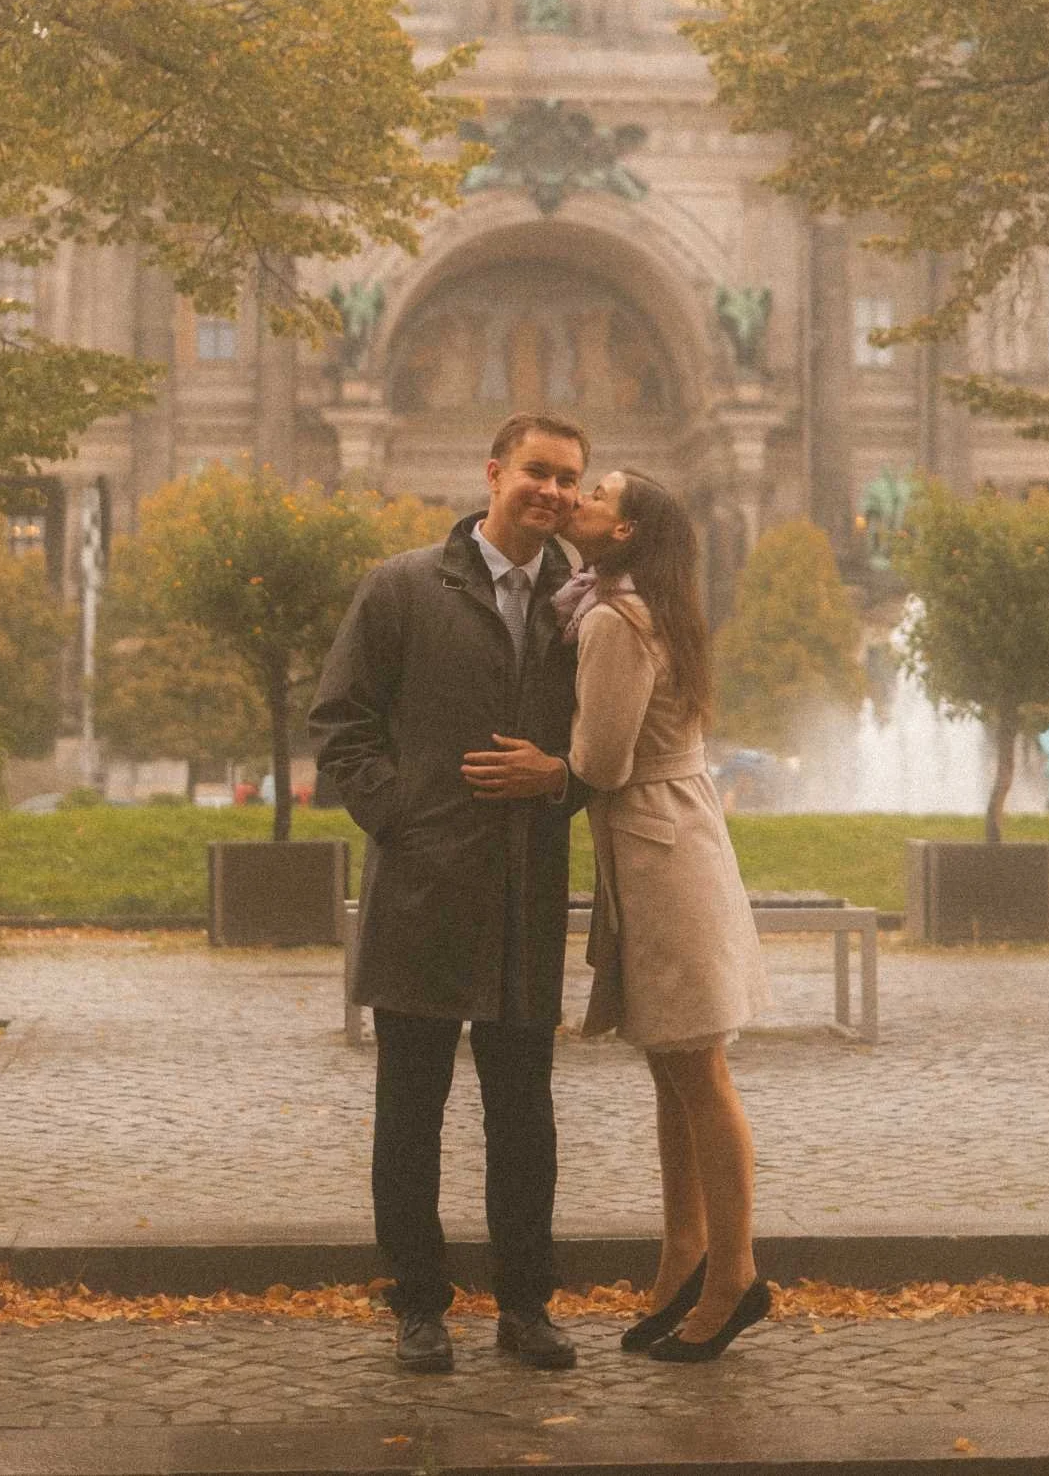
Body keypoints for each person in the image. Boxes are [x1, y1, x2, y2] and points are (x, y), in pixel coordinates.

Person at [310, 414, 590, 1377]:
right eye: (536, 473)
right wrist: (404, 819)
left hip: (526, 894)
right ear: (494, 474)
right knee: (410, 1110)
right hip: (423, 892)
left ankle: (525, 1306)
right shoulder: (401, 587)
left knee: (525, 1112)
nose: (551, 492)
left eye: (568, 480)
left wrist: (559, 778)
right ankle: (418, 1307)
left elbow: (616, 748)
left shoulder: (582, 608)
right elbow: (341, 724)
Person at [560, 468, 772, 1363]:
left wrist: (541, 762)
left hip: (660, 853)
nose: (580, 496)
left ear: (623, 533)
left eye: (598, 492)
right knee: (674, 1071)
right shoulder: (641, 606)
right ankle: (682, 1258)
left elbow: (601, 760)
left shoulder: (614, 619)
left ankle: (734, 1276)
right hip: (671, 843)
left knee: (699, 1073)